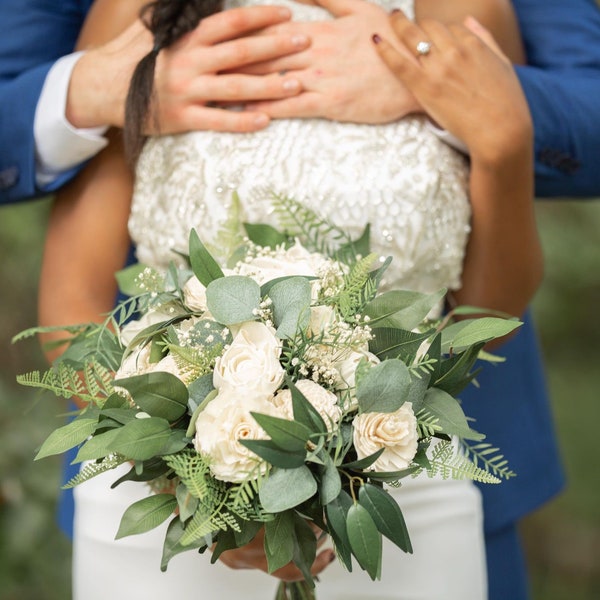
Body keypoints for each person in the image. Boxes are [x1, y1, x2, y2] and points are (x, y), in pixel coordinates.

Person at [2, 0, 599, 598]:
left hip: (401, 489)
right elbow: (71, 307)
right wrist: (190, 475)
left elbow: (489, 323)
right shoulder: (144, 14)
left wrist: (504, 136)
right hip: (175, 514)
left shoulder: (467, 14)